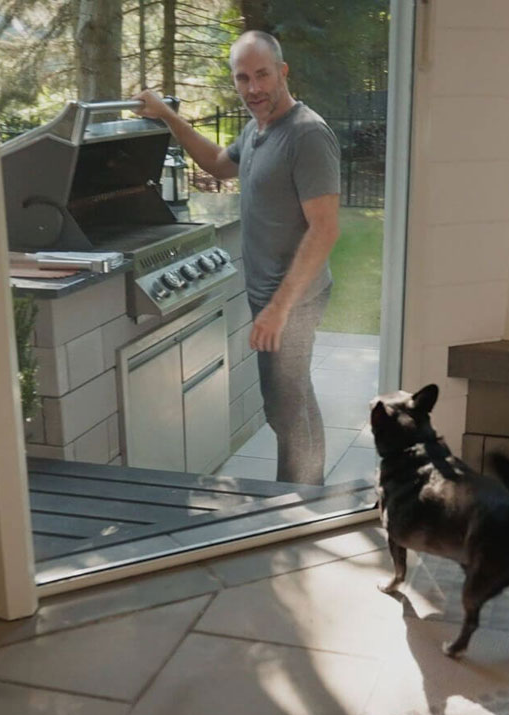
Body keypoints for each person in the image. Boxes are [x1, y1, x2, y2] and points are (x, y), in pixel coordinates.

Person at [134, 30, 341, 485]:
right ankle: (309, 501)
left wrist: (277, 310)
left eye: (262, 75)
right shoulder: (256, 128)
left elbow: (325, 230)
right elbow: (215, 163)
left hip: (293, 299)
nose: (253, 88)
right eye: (243, 78)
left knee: (285, 412)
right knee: (296, 401)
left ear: (282, 72)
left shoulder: (307, 135)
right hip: (275, 298)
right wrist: (168, 115)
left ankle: (292, 510)